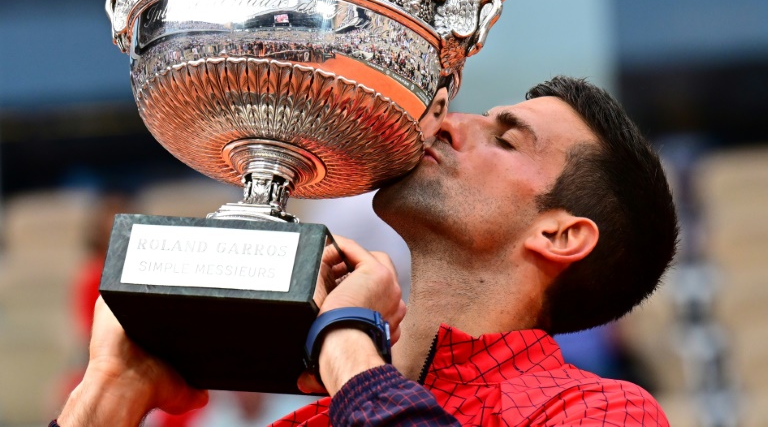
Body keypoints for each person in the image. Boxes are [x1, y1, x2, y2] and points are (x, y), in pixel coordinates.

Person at [54, 76, 678, 426]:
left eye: (506, 140)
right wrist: (107, 395)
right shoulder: (306, 424)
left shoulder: (601, 412)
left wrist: (348, 343)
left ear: (560, 234)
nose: (450, 122)